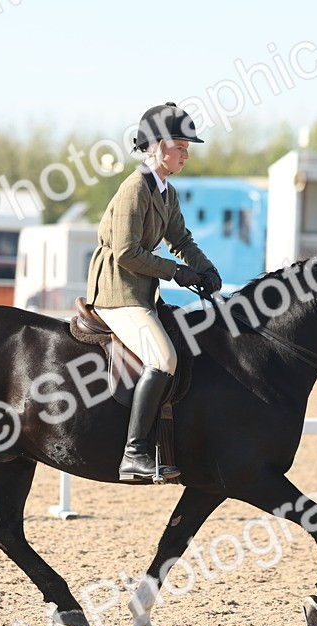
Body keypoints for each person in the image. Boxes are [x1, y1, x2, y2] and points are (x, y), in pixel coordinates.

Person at [86, 102, 223, 482]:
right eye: (180, 145)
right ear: (157, 146)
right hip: (118, 293)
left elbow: (181, 238)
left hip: (143, 294)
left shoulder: (166, 191)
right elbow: (127, 252)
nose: (186, 152)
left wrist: (205, 267)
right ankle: (134, 453)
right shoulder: (135, 188)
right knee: (163, 359)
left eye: (187, 146)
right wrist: (177, 272)